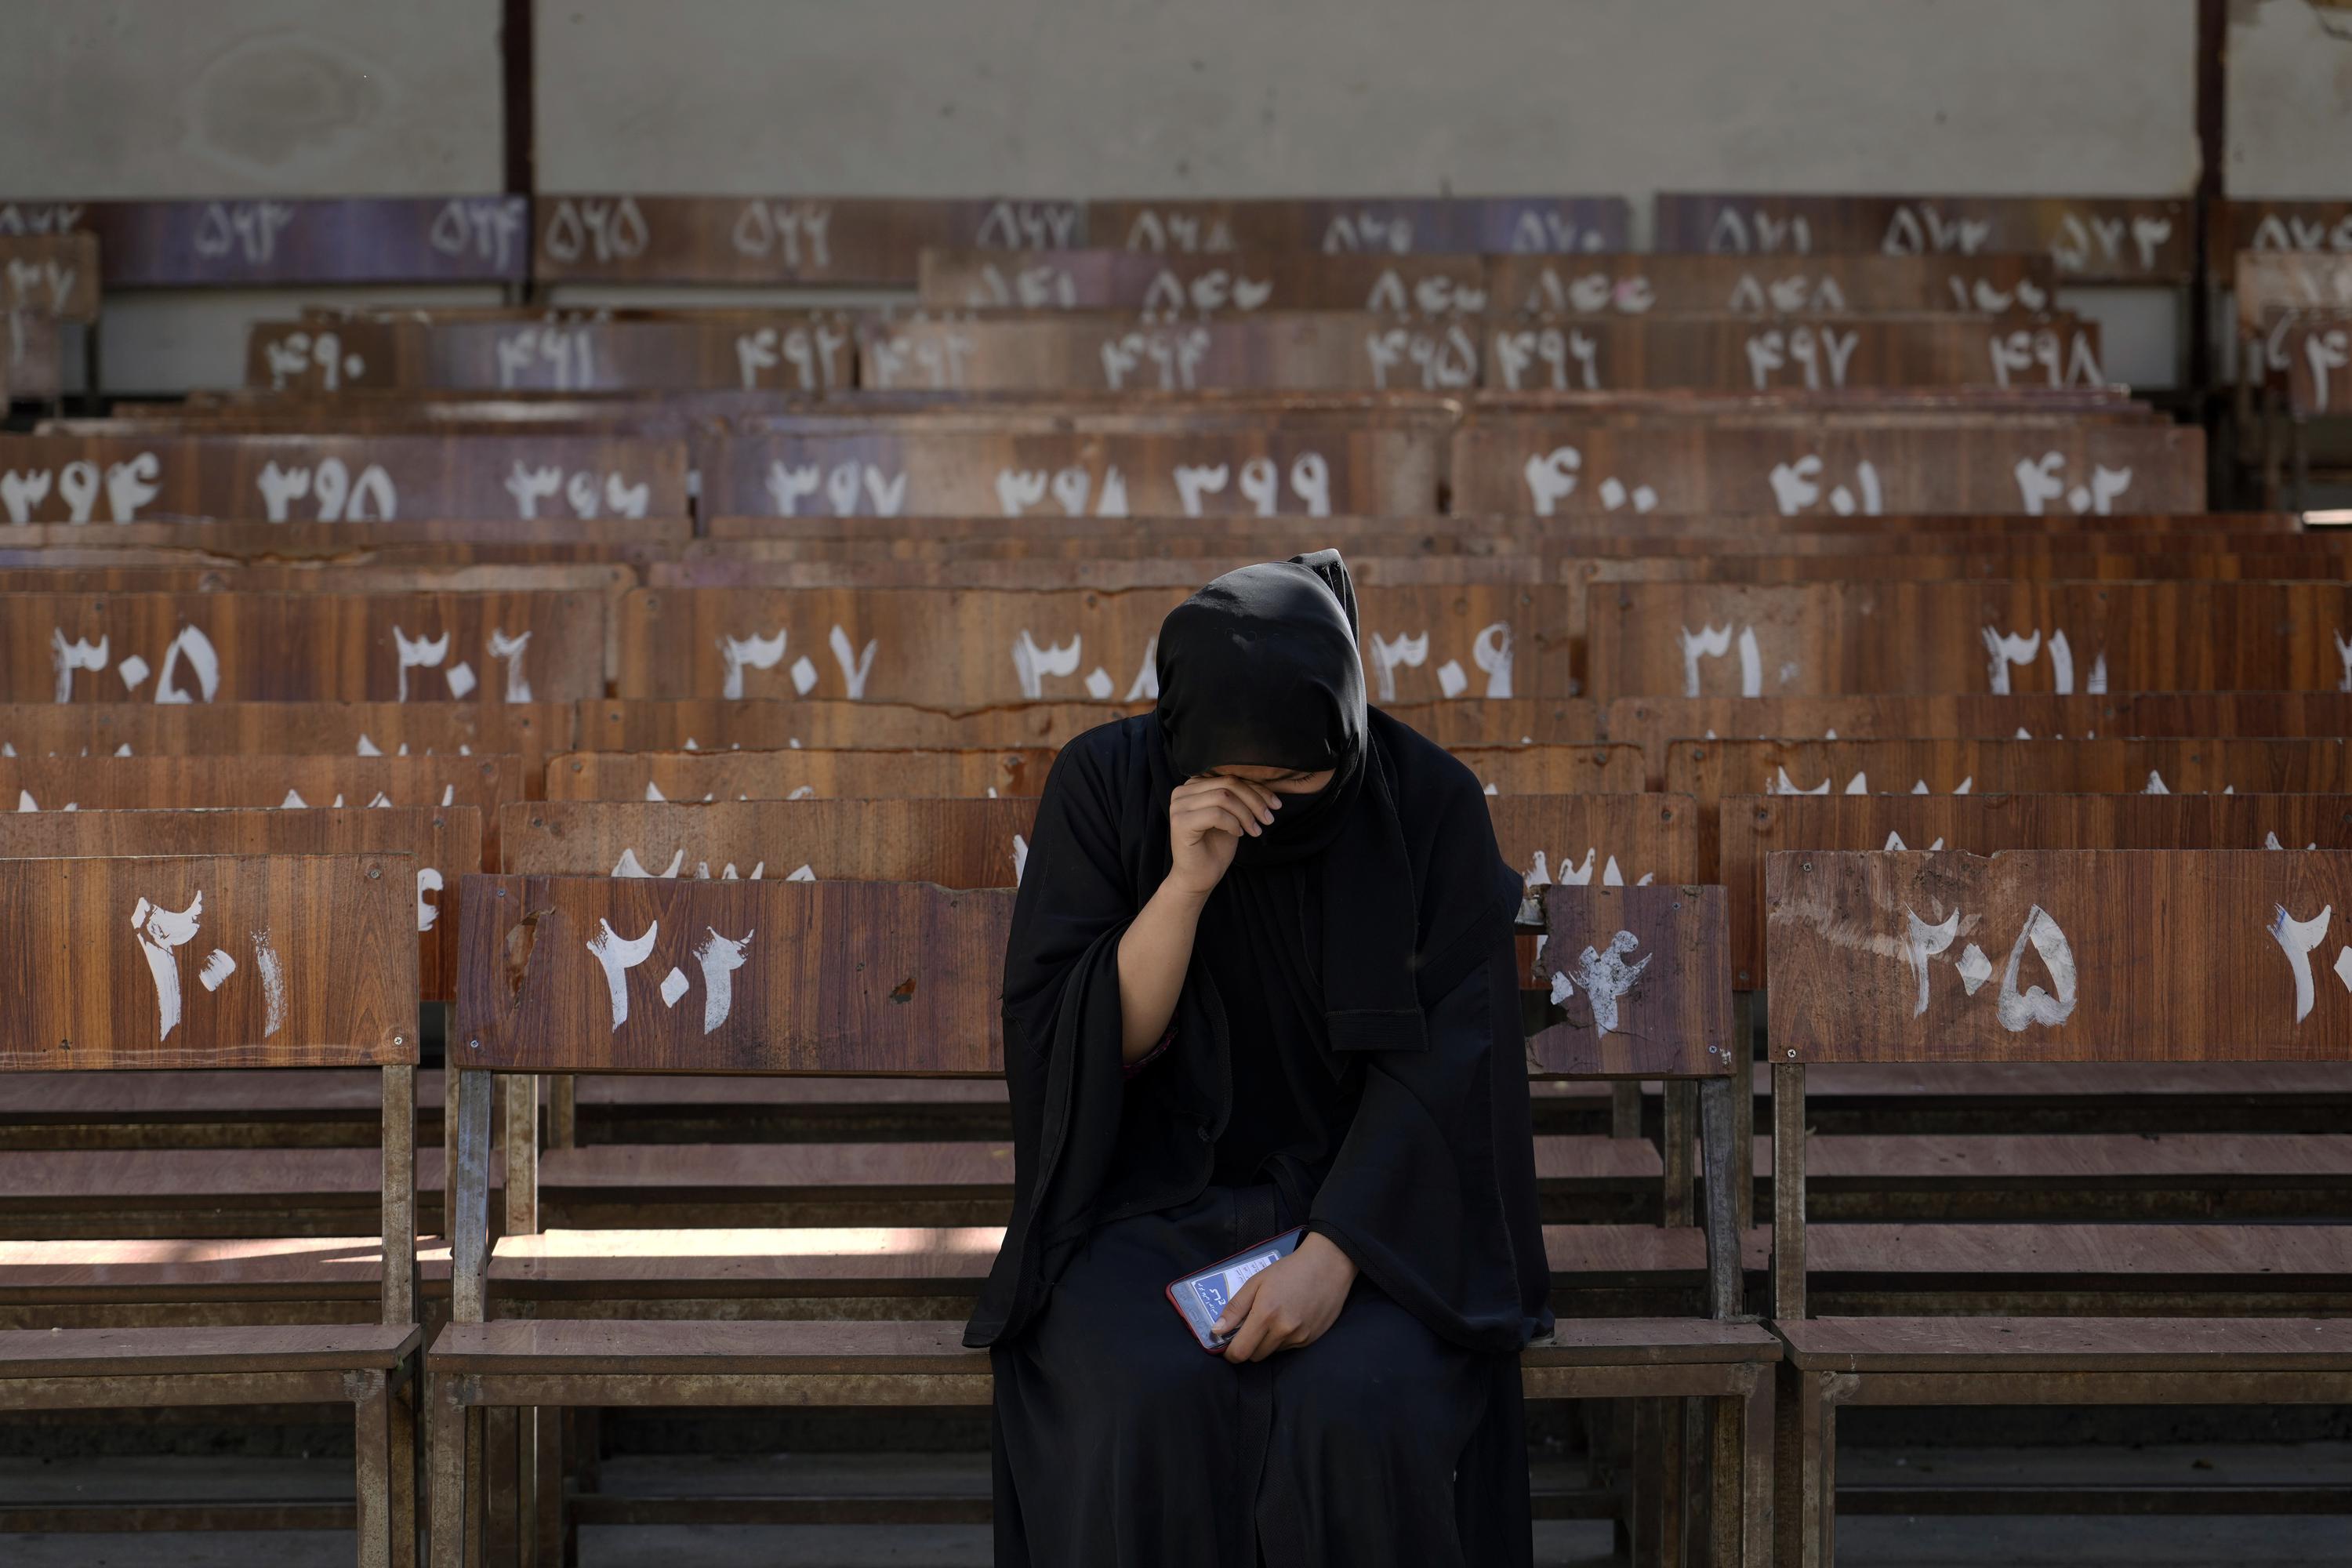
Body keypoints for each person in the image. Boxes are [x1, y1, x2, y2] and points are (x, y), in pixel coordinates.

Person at [966, 552, 1552, 1567]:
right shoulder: (1107, 784)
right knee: (1145, 1405)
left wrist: (1335, 1255)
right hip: (1143, 1210)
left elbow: (1453, 1061)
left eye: (1293, 784)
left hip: (1380, 1221)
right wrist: (1186, 885)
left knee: (1359, 1412)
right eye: (1235, 784)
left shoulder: (1427, 803)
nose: (1263, 810)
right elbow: (1083, 1044)